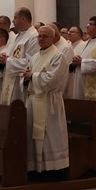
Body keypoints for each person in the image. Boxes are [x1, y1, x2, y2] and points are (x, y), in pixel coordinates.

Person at [22, 22, 70, 179]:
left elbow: (52, 80)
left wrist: (32, 76)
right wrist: (26, 78)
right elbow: (27, 76)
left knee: (50, 136)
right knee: (34, 135)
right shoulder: (35, 56)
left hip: (49, 103)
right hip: (34, 101)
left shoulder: (58, 56)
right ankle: (36, 168)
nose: (41, 39)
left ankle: (54, 170)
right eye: (39, 36)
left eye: (45, 36)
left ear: (53, 38)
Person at [0, 8, 38, 103]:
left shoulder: (34, 37)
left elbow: (31, 62)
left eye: (15, 18)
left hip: (19, 83)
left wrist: (7, 61)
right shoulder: (17, 36)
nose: (13, 21)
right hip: (10, 79)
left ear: (23, 19)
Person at [69, 18, 96, 101]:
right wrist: (75, 62)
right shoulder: (88, 42)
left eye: (90, 24)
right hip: (80, 82)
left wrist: (82, 62)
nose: (87, 26)